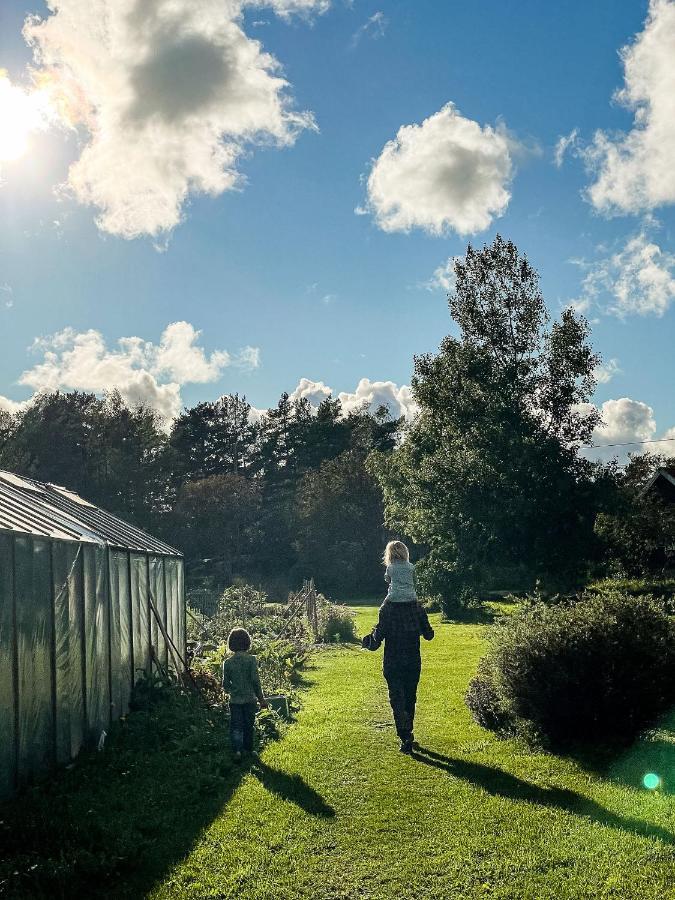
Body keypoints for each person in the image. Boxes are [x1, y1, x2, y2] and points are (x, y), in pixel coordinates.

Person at [362, 541, 434, 754]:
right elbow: (428, 634)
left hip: (393, 660)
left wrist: (369, 641)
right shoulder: (417, 607)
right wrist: (423, 629)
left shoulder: (387, 609)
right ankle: (408, 731)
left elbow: (379, 636)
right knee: (410, 696)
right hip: (413, 659)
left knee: (397, 698)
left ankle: (405, 735)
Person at [222, 627, 268, 762]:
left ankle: (237, 751)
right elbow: (255, 681)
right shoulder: (251, 660)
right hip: (250, 700)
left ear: (231, 643)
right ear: (247, 642)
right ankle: (248, 749)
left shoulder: (228, 663)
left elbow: (225, 684)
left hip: (235, 701)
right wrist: (261, 699)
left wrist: (233, 690)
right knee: (249, 725)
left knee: (236, 726)